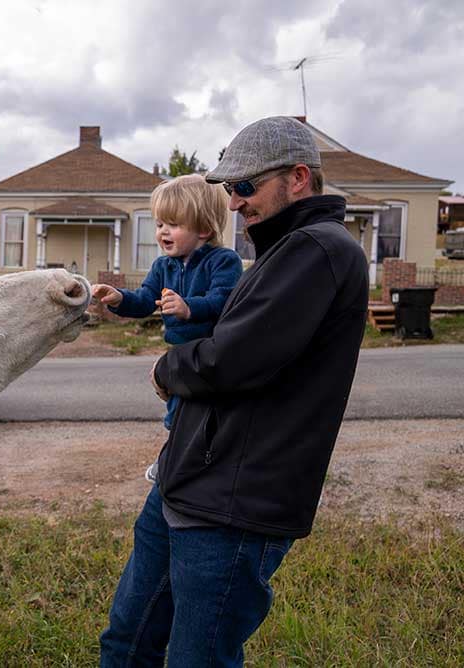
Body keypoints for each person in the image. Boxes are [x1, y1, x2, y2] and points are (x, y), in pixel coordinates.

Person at [98, 116, 369, 667]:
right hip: (187, 478)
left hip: (235, 502)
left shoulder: (318, 250)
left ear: (297, 178)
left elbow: (233, 359)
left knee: (196, 658)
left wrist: (165, 369)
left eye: (244, 186)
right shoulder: (279, 251)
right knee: (126, 640)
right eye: (227, 188)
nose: (234, 202)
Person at [91, 174, 242, 483]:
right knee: (177, 411)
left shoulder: (223, 261)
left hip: (212, 351)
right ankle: (176, 458)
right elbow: (146, 300)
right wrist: (119, 298)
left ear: (203, 228)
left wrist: (188, 307)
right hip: (178, 353)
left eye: (172, 224)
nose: (162, 232)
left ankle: (199, 461)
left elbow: (222, 299)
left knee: (207, 412)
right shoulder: (163, 267)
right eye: (159, 224)